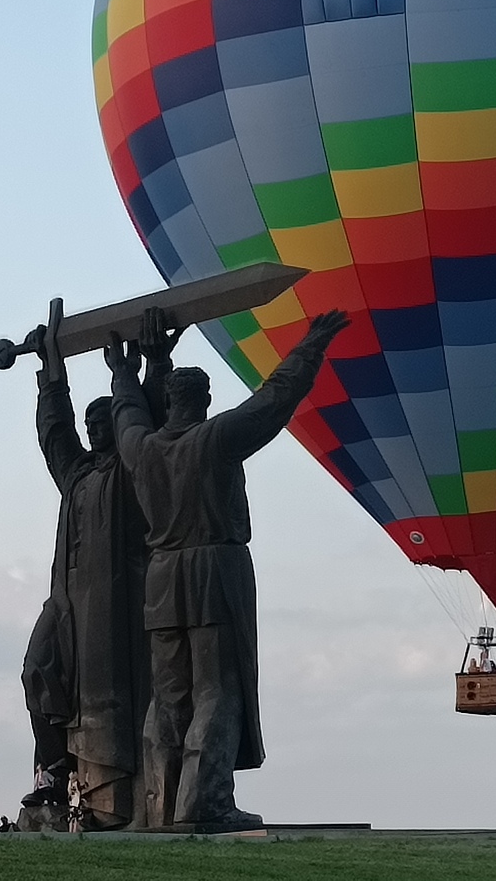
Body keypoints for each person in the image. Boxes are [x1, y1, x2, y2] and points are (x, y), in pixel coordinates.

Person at [108, 308, 348, 831]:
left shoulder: (142, 449)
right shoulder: (216, 438)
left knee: (168, 695)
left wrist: (125, 372)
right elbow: (274, 400)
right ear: (207, 401)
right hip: (215, 568)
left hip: (161, 577)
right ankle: (205, 804)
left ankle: (161, 805)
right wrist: (312, 344)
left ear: (169, 400)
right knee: (218, 689)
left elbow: (127, 413)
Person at [21, 309, 169, 831]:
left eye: (104, 421)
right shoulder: (78, 473)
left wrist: (145, 368)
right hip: (66, 603)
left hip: (112, 606)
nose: (95, 429)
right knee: (36, 670)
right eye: (90, 424)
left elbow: (147, 419)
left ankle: (112, 795)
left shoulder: (132, 471)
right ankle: (53, 768)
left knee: (111, 699)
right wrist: (51, 374)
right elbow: (53, 435)